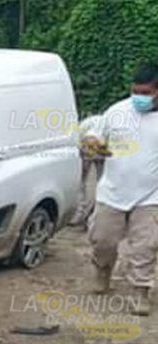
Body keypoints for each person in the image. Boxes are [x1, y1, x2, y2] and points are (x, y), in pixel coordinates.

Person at [83, 63, 158, 316]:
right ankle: (102, 272)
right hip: (112, 192)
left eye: (146, 93)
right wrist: (92, 145)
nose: (139, 97)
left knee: (146, 246)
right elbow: (95, 137)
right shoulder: (116, 113)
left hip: (151, 196)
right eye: (135, 91)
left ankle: (141, 291)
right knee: (102, 240)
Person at [70, 114, 104, 229]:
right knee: (81, 181)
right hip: (87, 145)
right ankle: (79, 214)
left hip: (107, 152)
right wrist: (83, 169)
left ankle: (95, 215)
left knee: (104, 183)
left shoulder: (111, 136)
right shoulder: (80, 133)